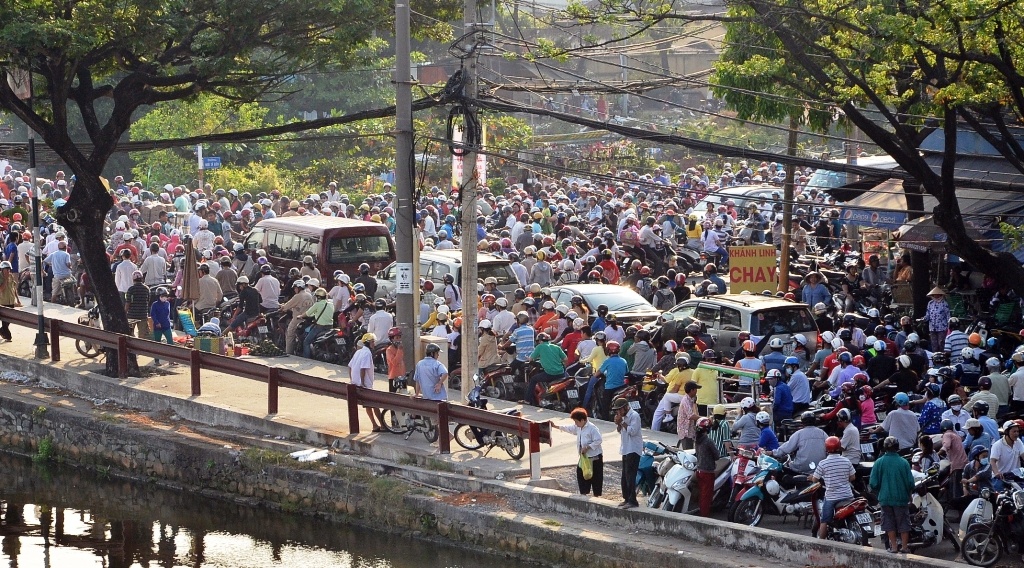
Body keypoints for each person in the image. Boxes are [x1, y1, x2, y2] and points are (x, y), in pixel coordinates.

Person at [870, 436, 915, 554]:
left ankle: (894, 547)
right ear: (897, 447)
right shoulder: (904, 462)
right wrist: (909, 495)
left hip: (885, 499)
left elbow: (873, 483)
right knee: (904, 522)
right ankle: (904, 547)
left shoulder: (879, 462)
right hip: (901, 498)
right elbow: (910, 483)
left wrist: (881, 490)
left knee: (889, 522)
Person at [811, 436, 856, 539]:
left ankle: (821, 543)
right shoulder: (846, 461)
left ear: (826, 449)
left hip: (832, 497)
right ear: (839, 447)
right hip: (848, 496)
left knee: (824, 520)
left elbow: (815, 479)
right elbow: (853, 477)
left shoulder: (823, 463)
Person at [553, 408, 603, 497]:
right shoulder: (579, 427)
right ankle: (584, 493)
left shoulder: (592, 428)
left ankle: (597, 496)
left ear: (583, 420)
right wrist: (556, 426)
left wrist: (588, 447)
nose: (575, 424)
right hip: (584, 457)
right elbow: (569, 428)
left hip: (594, 457)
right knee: (581, 474)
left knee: (596, 477)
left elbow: (598, 440)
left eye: (576, 421)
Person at [612, 396, 642, 509]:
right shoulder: (623, 417)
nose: (618, 412)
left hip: (633, 449)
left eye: (620, 409)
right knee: (624, 476)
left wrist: (622, 422)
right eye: (617, 410)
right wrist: (619, 423)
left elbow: (633, 432)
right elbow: (620, 431)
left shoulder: (634, 416)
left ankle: (633, 501)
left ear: (625, 407)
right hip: (625, 448)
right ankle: (626, 498)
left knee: (630, 476)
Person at [350, 332, 384, 432]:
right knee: (374, 404)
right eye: (372, 342)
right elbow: (363, 369)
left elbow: (349, 366)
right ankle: (381, 424)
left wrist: (353, 380)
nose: (374, 344)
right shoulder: (367, 353)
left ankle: (375, 425)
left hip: (356, 383)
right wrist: (363, 383)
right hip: (365, 384)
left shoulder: (358, 352)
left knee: (368, 405)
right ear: (368, 343)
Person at [526, 332, 567, 406]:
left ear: (540, 341)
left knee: (533, 379)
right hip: (561, 373)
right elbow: (565, 359)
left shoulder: (540, 347)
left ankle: (527, 400)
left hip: (550, 374)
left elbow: (531, 359)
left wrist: (528, 359)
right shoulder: (556, 347)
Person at [694, 416, 718, 517]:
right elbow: (717, 456)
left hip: (699, 470)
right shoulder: (708, 441)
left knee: (702, 494)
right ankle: (704, 516)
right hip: (708, 472)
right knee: (706, 496)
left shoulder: (697, 440)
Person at [990, 420, 1024, 491]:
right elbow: (992, 461)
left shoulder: (1018, 442)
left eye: (1017, 431)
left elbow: (1023, 455)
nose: (1016, 434)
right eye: (1014, 431)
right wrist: (997, 473)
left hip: (1016, 477)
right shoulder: (997, 445)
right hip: (1002, 478)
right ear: (1006, 432)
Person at [302, 287, 335, 359]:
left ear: (318, 297)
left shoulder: (317, 304)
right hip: (330, 327)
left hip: (320, 327)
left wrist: (300, 316)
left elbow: (307, 314)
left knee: (306, 342)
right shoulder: (331, 304)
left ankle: (306, 359)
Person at [149, 287, 175, 366]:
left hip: (166, 325)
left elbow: (168, 315)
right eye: (162, 296)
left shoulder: (167, 303)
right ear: (158, 296)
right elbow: (153, 314)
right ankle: (157, 361)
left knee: (170, 342)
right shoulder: (155, 305)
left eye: (165, 296)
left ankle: (172, 360)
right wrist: (157, 322)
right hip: (158, 327)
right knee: (157, 343)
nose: (164, 298)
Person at [124, 271, 152, 339]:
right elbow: (148, 301)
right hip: (143, 314)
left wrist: (124, 312)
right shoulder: (146, 289)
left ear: (133, 279)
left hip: (131, 315)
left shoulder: (131, 289)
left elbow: (128, 303)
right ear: (142, 279)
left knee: (129, 334)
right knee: (143, 335)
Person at [0, 261, 22, 341]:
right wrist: (5, 279)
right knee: (5, 321)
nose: (8, 271)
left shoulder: (11, 276)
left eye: (9, 269)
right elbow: (1, 289)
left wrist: (18, 299)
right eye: (6, 269)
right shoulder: (0, 277)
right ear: (2, 269)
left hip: (11, 301)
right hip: (3, 302)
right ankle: (8, 336)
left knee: (9, 320)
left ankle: (2, 331)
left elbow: (14, 288)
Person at [384, 327, 406, 392]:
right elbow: (395, 362)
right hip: (393, 377)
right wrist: (399, 350)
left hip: (402, 376)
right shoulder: (389, 350)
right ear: (392, 339)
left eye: (399, 337)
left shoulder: (400, 349)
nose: (399, 340)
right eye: (396, 338)